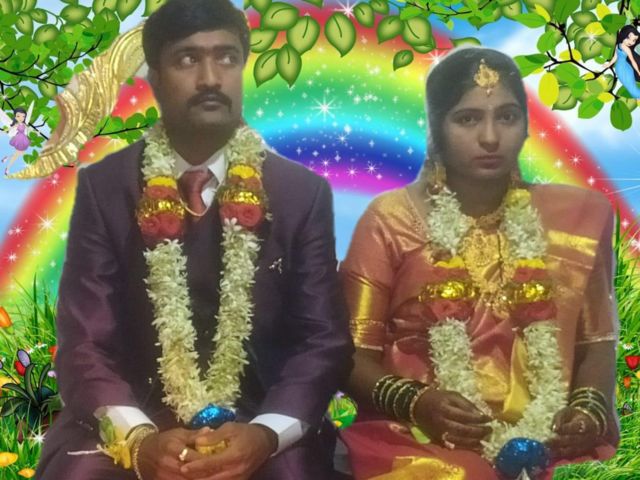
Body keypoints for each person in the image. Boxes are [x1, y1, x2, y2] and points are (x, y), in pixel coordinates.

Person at [36, 0, 353, 478]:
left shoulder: (300, 193)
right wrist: (138, 441)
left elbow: (321, 339)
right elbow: (85, 341)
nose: (210, 78)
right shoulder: (106, 188)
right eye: (187, 59)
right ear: (155, 78)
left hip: (258, 414)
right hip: (137, 412)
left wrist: (265, 434)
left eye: (226, 57)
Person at [339, 47, 619, 479]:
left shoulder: (578, 218)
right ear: (436, 128)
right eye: (468, 119)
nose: (490, 137)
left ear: (526, 126)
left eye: (507, 116)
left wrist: (588, 410)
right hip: (420, 438)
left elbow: (597, 341)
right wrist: (418, 402)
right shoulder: (390, 220)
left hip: (547, 439)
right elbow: (351, 356)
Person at [602, 25, 640, 98]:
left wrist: (638, 71)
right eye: (628, 38)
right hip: (620, 69)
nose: (630, 42)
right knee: (629, 86)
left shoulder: (626, 49)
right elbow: (615, 57)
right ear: (623, 35)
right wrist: (609, 64)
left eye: (634, 40)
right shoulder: (618, 45)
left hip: (625, 69)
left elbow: (633, 61)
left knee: (631, 86)